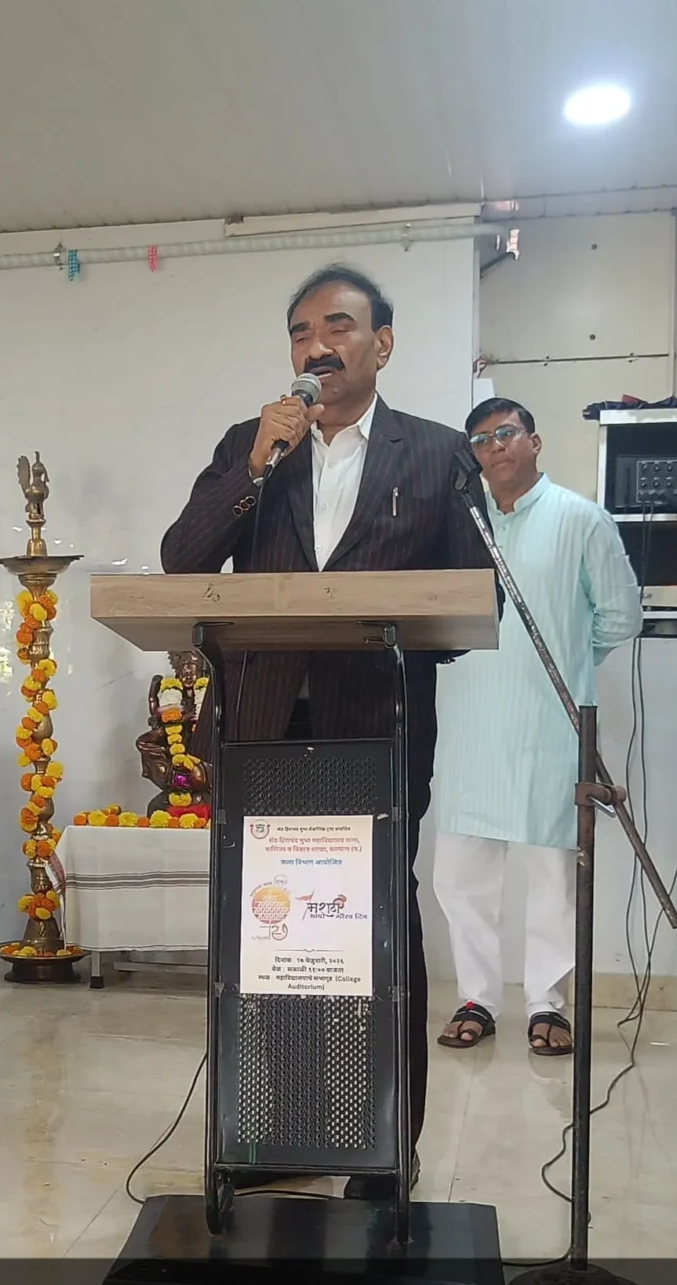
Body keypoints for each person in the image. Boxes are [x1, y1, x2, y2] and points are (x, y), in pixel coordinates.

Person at [160, 264, 490, 1196]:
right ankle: (288, 1132)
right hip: (261, 724)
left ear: (382, 343)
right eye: (301, 331)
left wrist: (381, 623)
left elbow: (475, 596)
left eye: (338, 326)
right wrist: (255, 465)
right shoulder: (251, 444)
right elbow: (182, 559)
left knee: (377, 927)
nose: (317, 345)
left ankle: (385, 1148)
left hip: (375, 725)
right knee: (271, 926)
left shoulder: (437, 454)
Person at [429, 399, 642, 1057]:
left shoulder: (581, 519)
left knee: (551, 873)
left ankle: (548, 1003)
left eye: (506, 433)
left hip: (550, 723)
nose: (495, 447)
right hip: (469, 722)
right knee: (459, 875)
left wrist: (571, 657)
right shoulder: (460, 526)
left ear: (535, 441)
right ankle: (477, 997)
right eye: (481, 440)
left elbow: (621, 615)